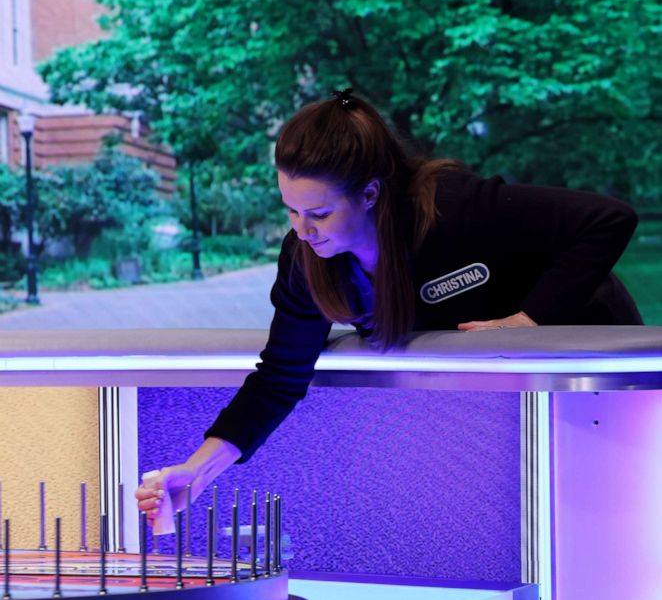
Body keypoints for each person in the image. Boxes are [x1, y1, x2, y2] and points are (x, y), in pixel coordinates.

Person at [136, 88, 642, 526]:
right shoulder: (306, 258)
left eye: (318, 212)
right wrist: (195, 472)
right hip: (517, 399)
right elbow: (278, 378)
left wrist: (526, 322)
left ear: (371, 193)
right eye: (290, 209)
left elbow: (607, 219)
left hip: (596, 364)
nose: (300, 229)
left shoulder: (452, 207)